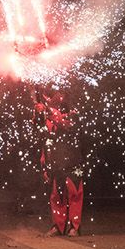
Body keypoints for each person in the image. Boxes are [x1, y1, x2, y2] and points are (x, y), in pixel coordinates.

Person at [34, 88, 83, 236]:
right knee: (56, 194)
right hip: (55, 160)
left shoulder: (73, 111)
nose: (49, 98)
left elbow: (67, 125)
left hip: (72, 159)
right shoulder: (48, 114)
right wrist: (38, 113)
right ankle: (58, 225)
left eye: (53, 95)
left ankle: (75, 226)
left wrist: (47, 110)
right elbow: (40, 132)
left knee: (74, 193)